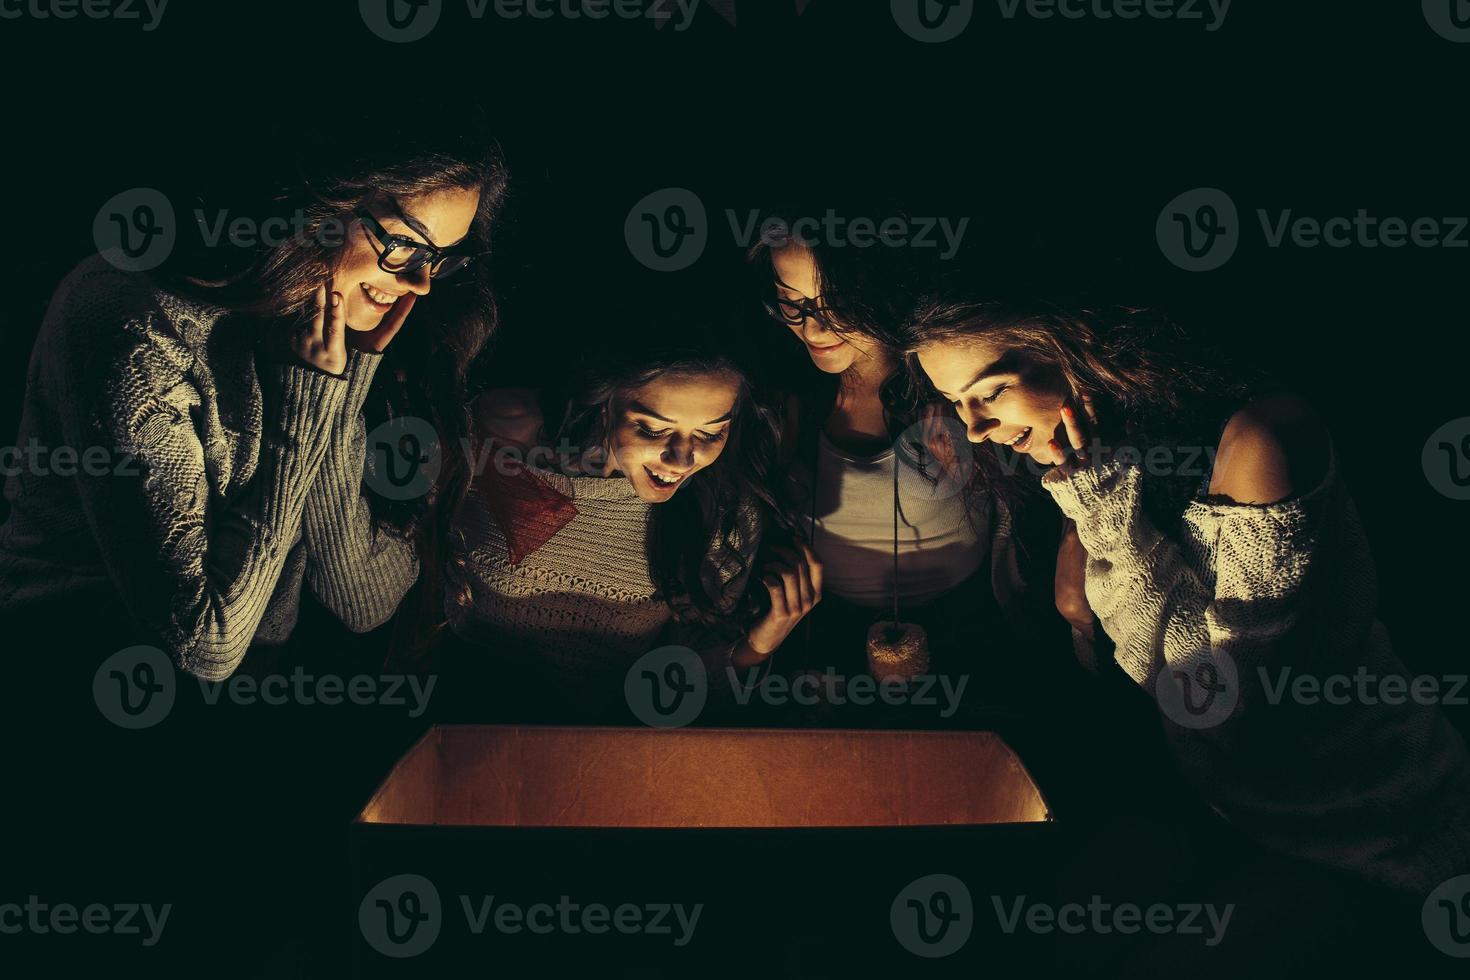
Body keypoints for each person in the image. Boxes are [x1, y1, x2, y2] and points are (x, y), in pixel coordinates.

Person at [906, 293, 1470, 907]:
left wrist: (1097, 511)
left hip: (1376, 838)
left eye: (990, 391)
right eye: (957, 401)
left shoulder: (1258, 439)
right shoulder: (1099, 453)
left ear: (1066, 343)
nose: (974, 428)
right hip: (1228, 823)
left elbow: (1226, 713)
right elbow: (1107, 663)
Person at [0, 111, 508, 681]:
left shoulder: (319, 329)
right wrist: (312, 402)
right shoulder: (135, 319)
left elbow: (365, 602)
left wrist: (337, 389)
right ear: (319, 202)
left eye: (441, 257)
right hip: (68, 668)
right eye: (403, 244)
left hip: (236, 692)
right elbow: (206, 646)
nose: (420, 281)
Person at [440, 301, 821, 722]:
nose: (681, 459)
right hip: (465, 717)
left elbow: (683, 690)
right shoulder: (500, 441)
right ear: (607, 398)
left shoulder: (721, 512)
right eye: (654, 429)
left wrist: (758, 647)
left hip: (613, 736)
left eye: (711, 433)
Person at [746, 216, 1061, 718]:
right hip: (826, 633)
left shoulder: (959, 385)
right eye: (793, 304)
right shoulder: (781, 401)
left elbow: (1047, 485)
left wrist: (983, 473)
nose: (813, 327)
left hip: (970, 626)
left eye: (837, 304)